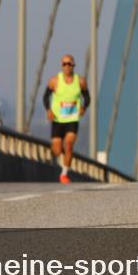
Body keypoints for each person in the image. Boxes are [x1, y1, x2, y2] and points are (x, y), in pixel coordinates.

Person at [43, 54, 90, 184]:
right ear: (61, 66)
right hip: (58, 120)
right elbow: (45, 97)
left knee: (68, 145)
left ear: (73, 65)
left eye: (69, 63)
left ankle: (64, 174)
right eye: (64, 64)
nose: (67, 66)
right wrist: (48, 110)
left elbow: (87, 97)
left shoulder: (80, 81)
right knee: (57, 150)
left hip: (72, 119)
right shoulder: (54, 81)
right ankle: (65, 156)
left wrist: (83, 108)